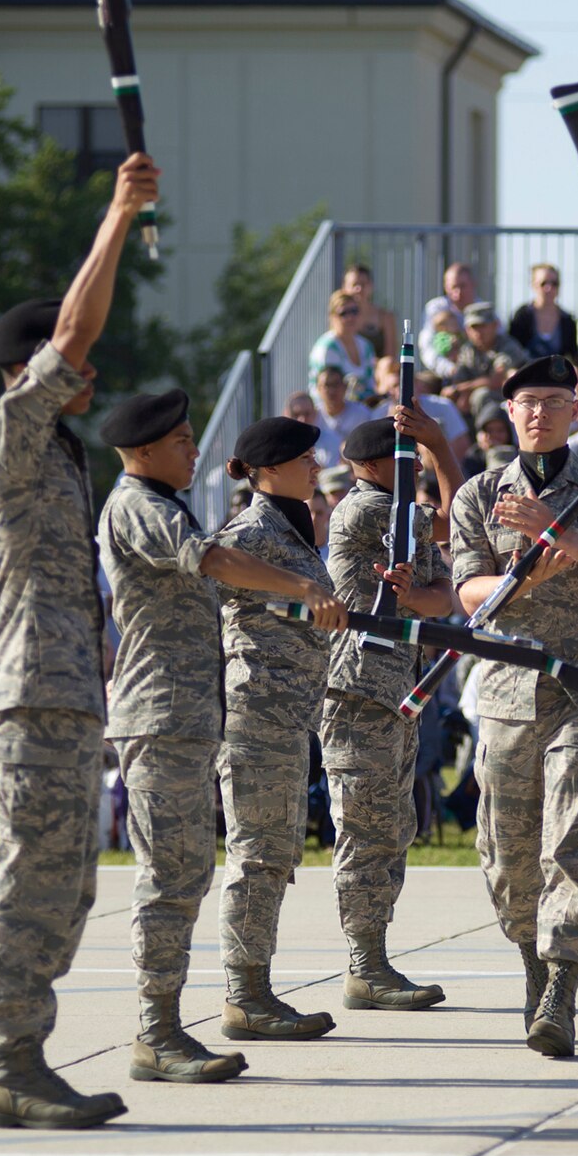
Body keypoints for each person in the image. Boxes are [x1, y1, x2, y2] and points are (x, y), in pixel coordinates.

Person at [0, 152, 158, 1131]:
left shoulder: (62, 455)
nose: (86, 373)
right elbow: (77, 330)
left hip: (65, 688)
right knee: (35, 875)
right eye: (63, 361)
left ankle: (24, 1057)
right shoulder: (5, 433)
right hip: (34, 688)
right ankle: (9, 1065)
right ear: (28, 367)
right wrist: (118, 216)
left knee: (67, 879)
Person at [96, 392, 345, 1080]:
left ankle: (191, 1017)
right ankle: (160, 1030)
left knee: (193, 871)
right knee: (172, 878)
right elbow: (212, 560)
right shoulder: (143, 508)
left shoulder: (167, 505)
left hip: (191, 712)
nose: (194, 450)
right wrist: (300, 587)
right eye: (180, 439)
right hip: (166, 711)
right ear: (143, 449)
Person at [450, 353, 578, 1058]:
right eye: (525, 401)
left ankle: (562, 994)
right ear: (508, 412)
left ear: (575, 409)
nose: (537, 411)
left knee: (570, 839)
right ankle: (534, 968)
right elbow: (466, 594)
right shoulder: (479, 493)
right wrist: (523, 574)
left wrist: (565, 535)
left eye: (552, 400)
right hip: (510, 691)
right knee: (509, 858)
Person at [202, 415, 344, 1042]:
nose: (316, 468)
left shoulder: (292, 526)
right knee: (258, 857)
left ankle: (254, 988)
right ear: (270, 469)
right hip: (255, 715)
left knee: (275, 855)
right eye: (305, 458)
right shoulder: (253, 530)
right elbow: (215, 573)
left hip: (287, 718)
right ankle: (245, 995)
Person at [319, 410, 461, 1010]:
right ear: (379, 465)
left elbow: (443, 588)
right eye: (407, 461)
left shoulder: (399, 519)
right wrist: (441, 445)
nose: (416, 471)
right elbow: (459, 522)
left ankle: (373, 958)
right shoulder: (370, 509)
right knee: (365, 828)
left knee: (392, 828)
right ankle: (364, 963)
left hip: (392, 689)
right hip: (359, 691)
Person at [508, 262, 577, 359]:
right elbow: (513, 351)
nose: (549, 288)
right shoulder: (522, 316)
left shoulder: (568, 320)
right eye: (543, 283)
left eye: (554, 283)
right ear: (533, 285)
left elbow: (572, 354)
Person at [342, 263, 399, 359]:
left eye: (363, 284)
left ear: (371, 286)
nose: (359, 289)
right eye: (354, 284)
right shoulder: (339, 315)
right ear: (344, 287)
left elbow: (390, 357)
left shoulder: (385, 317)